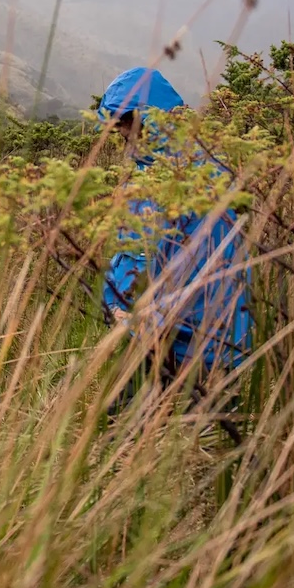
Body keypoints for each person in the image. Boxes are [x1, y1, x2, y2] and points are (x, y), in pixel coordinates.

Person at [98, 67, 252, 378]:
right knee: (119, 421)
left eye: (128, 121)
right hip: (142, 342)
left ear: (152, 115)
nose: (124, 132)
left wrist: (141, 321)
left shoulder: (201, 178)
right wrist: (113, 303)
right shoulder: (141, 179)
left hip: (196, 353)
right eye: (118, 125)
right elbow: (127, 256)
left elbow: (202, 269)